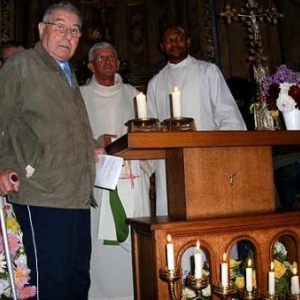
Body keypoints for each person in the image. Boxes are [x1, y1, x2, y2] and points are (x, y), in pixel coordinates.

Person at [0, 2, 104, 300]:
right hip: (41, 193)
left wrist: (93, 148)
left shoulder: (66, 72)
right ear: (42, 29)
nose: (67, 36)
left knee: (77, 279)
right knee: (50, 283)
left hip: (76, 196)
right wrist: (3, 167)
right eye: (60, 26)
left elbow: (64, 127)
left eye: (74, 30)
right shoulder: (22, 66)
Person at [146, 25, 247, 216]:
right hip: (169, 166)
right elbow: (151, 130)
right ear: (162, 46)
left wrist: (213, 149)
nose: (174, 43)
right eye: (169, 40)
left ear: (188, 42)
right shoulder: (155, 83)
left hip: (206, 160)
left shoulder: (207, 72)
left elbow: (229, 116)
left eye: (179, 38)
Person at [80, 42, 151, 300]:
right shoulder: (80, 96)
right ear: (90, 66)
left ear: (118, 63)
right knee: (100, 247)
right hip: (99, 179)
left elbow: (149, 135)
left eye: (112, 57)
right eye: (101, 58)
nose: (108, 61)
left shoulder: (134, 94)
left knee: (134, 239)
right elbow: (71, 137)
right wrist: (100, 142)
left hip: (133, 178)